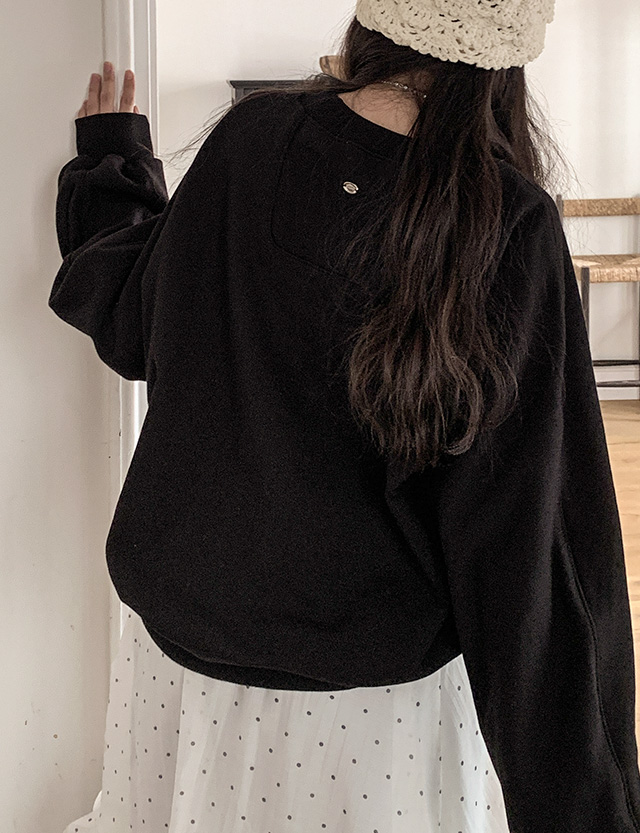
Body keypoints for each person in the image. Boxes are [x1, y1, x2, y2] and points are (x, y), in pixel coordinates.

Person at [50, 2, 640, 832]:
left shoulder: (250, 140)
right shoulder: (503, 218)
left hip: (177, 677)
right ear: (511, 51)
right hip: (376, 721)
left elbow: (138, 315)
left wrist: (112, 165)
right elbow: (534, 551)